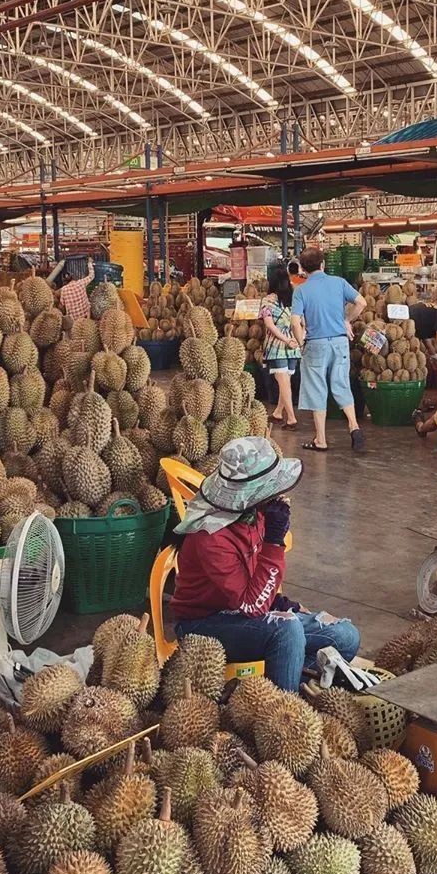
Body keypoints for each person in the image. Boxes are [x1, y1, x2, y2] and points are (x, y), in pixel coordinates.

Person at [171, 436, 360, 691]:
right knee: (287, 631)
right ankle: (283, 708)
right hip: (204, 623)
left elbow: (256, 583)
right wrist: (274, 542)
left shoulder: (255, 514)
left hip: (247, 609)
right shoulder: (211, 537)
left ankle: (293, 681)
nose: (279, 495)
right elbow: (251, 605)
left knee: (346, 636)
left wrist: (284, 604)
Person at [290, 247, 368, 453]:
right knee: (341, 384)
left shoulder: (301, 290)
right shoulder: (339, 282)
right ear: (323, 264)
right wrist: (346, 320)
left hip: (316, 344)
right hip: (340, 343)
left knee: (317, 389)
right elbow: (361, 302)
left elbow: (295, 322)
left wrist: (300, 343)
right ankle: (354, 427)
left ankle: (321, 439)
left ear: (303, 270)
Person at [261, 262, 301, 428]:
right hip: (293, 347)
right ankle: (278, 412)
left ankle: (291, 418)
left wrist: (284, 340)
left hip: (277, 347)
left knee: (283, 383)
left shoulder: (267, 301)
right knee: (286, 382)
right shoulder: (295, 299)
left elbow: (270, 325)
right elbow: (302, 323)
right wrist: (298, 340)